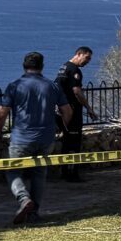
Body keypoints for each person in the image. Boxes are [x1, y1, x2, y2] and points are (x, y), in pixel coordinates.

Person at [0, 52, 71, 225]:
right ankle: (34, 213)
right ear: (42, 66)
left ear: (24, 66)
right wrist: (60, 128)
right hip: (46, 138)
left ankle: (23, 199)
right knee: (39, 174)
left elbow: (2, 114)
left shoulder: (15, 86)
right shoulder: (52, 86)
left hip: (21, 138)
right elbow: (67, 111)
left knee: (13, 171)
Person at [54, 47, 94, 182]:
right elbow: (77, 91)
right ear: (78, 54)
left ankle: (65, 172)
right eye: (87, 58)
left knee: (66, 142)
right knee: (74, 143)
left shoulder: (63, 67)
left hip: (61, 110)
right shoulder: (74, 70)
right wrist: (89, 108)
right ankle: (73, 173)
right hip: (72, 110)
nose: (88, 61)